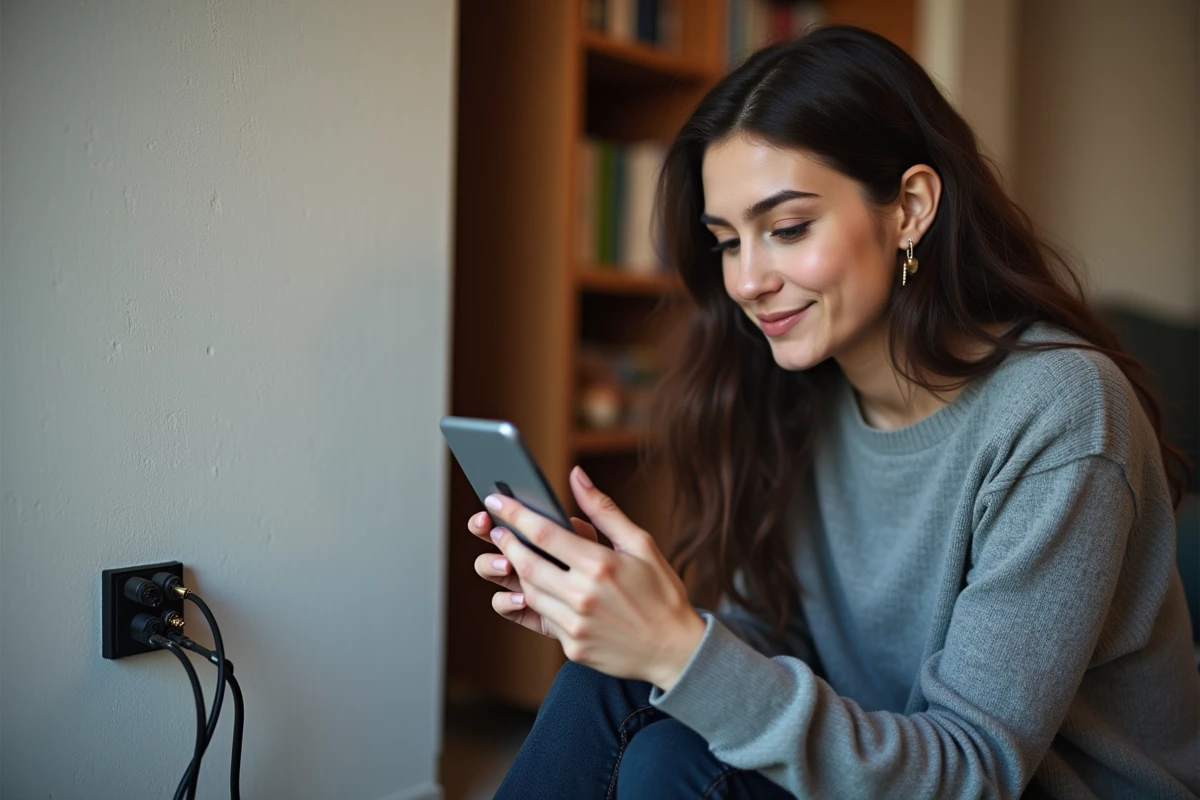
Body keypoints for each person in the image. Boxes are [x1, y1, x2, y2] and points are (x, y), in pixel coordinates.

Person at [464, 25, 1200, 799]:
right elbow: (773, 644)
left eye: (787, 229)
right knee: (624, 699)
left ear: (910, 208)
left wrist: (676, 648)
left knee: (664, 753)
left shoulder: (1059, 409)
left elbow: (972, 774)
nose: (747, 281)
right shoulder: (796, 391)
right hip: (883, 765)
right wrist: (629, 619)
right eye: (726, 242)